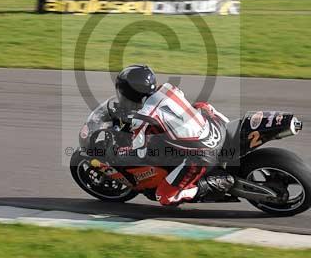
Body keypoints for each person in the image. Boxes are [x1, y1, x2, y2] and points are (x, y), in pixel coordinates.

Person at [96, 64, 234, 206]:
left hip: (201, 155)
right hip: (215, 128)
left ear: (130, 93)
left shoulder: (143, 117)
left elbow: (140, 153)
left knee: (165, 197)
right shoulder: (167, 88)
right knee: (199, 105)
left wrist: (117, 152)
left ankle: (221, 182)